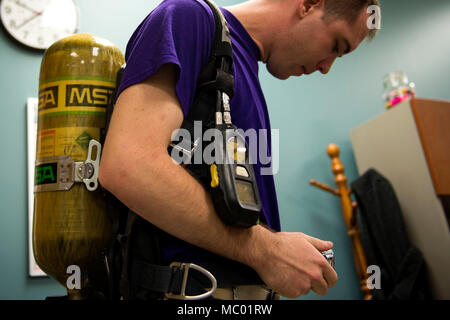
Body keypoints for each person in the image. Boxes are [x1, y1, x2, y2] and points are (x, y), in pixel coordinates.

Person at [99, 0, 380, 299]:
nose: (326, 67)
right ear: (309, 4)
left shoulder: (235, 66)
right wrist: (265, 249)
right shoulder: (189, 16)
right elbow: (128, 165)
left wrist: (277, 248)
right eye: (336, 45)